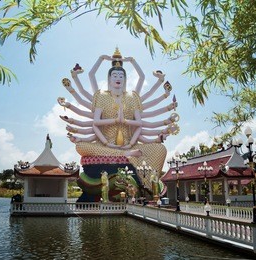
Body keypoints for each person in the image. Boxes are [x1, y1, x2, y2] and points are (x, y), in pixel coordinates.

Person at [58, 48, 179, 191]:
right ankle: (126, 156)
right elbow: (96, 123)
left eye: (121, 76)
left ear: (125, 79)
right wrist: (114, 126)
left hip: (131, 145)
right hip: (104, 145)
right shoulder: (102, 96)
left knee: (160, 149)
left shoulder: (132, 97)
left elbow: (139, 124)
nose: (118, 78)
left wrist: (128, 133)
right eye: (114, 75)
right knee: (81, 146)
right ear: (109, 79)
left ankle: (148, 185)